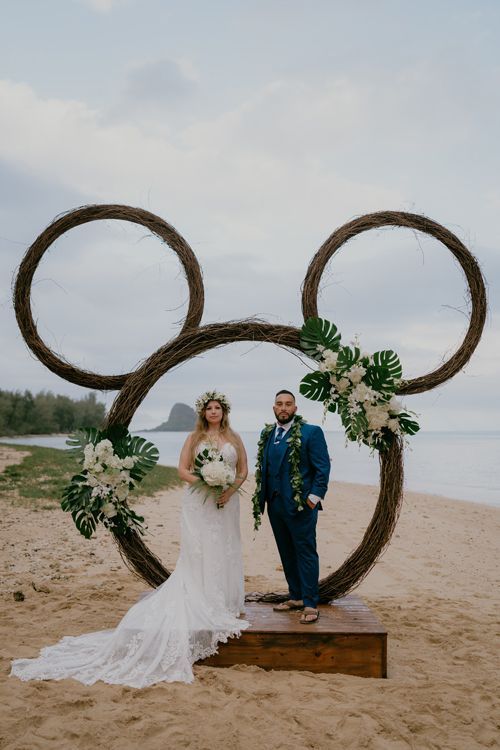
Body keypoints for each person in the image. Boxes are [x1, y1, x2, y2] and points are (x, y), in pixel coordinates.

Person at [10, 391, 249, 687]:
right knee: (201, 549)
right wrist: (206, 480)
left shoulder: (235, 438)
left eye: (218, 408)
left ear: (225, 411)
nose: (214, 412)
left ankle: (223, 601)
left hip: (226, 503)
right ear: (203, 413)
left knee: (224, 548)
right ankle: (202, 597)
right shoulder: (193, 438)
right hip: (199, 501)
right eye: (209, 408)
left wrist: (227, 489)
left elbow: (243, 471)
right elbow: (182, 470)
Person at [257, 390, 330, 624]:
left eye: (288, 404)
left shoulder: (312, 433)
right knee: (286, 552)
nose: (284, 407)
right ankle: (296, 595)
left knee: (305, 552)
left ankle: (310, 603)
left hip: (301, 507)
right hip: (275, 506)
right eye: (279, 404)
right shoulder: (268, 433)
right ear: (274, 408)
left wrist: (312, 499)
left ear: (295, 409)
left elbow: (322, 469)